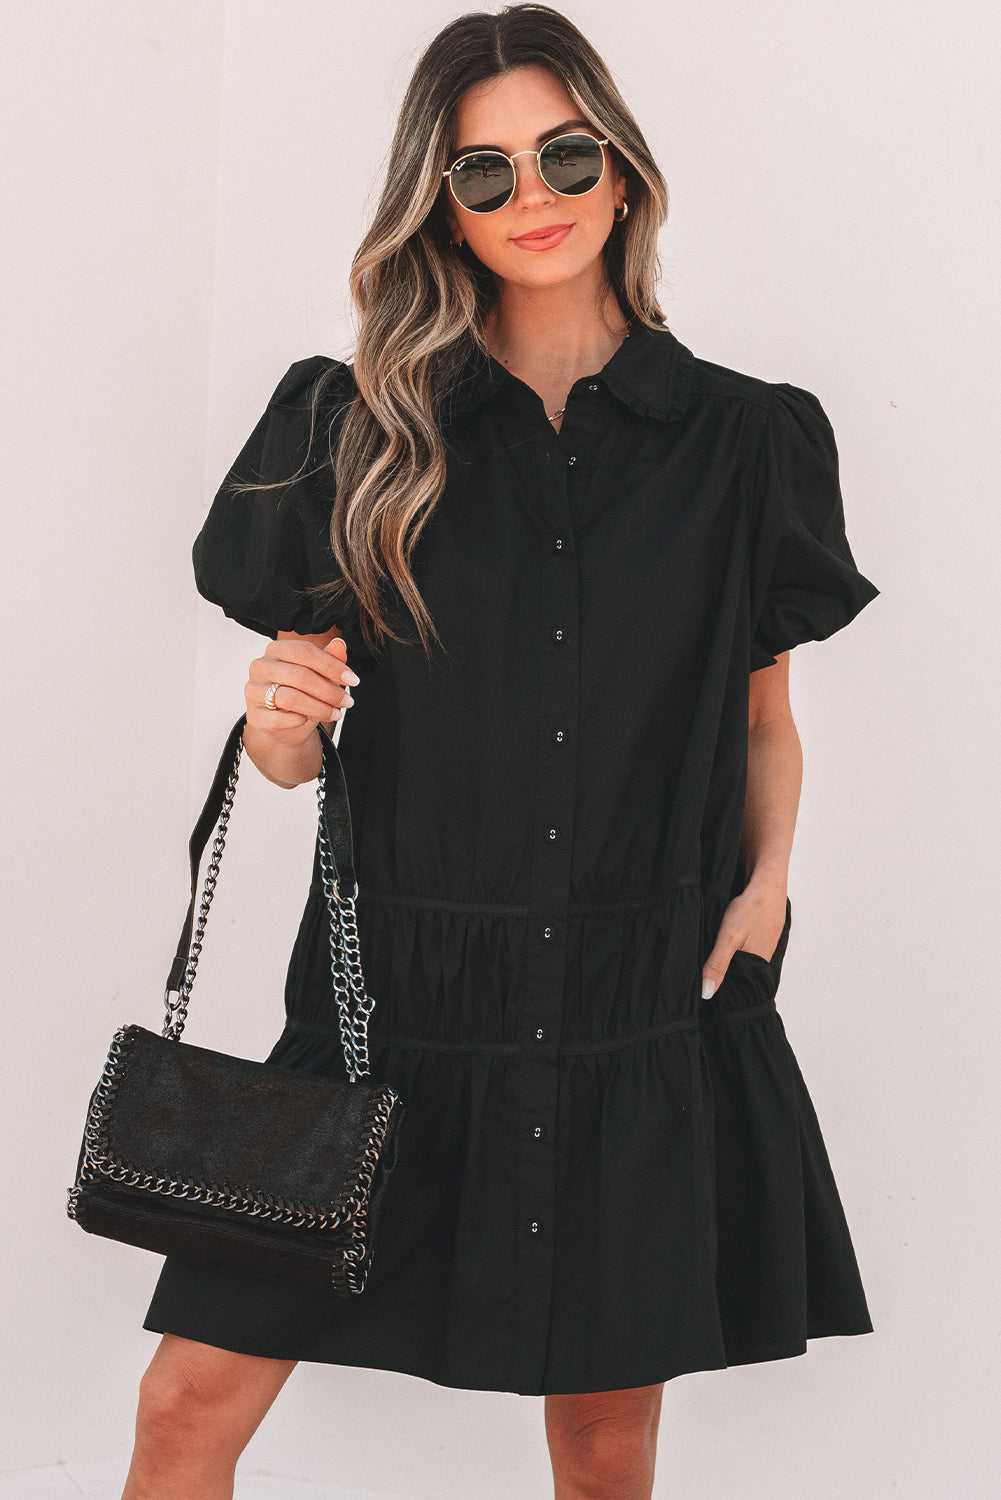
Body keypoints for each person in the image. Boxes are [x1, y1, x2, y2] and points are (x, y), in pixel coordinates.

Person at [123, 5, 878, 1496]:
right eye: (481, 173)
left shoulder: (742, 445)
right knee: (181, 1408)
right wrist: (274, 728)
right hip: (380, 1012)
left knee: (602, 1442)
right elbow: (293, 755)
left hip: (632, 1005)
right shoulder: (356, 429)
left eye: (562, 154)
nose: (530, 196)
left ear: (619, 170)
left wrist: (765, 887)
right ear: (438, 205)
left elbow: (759, 717)